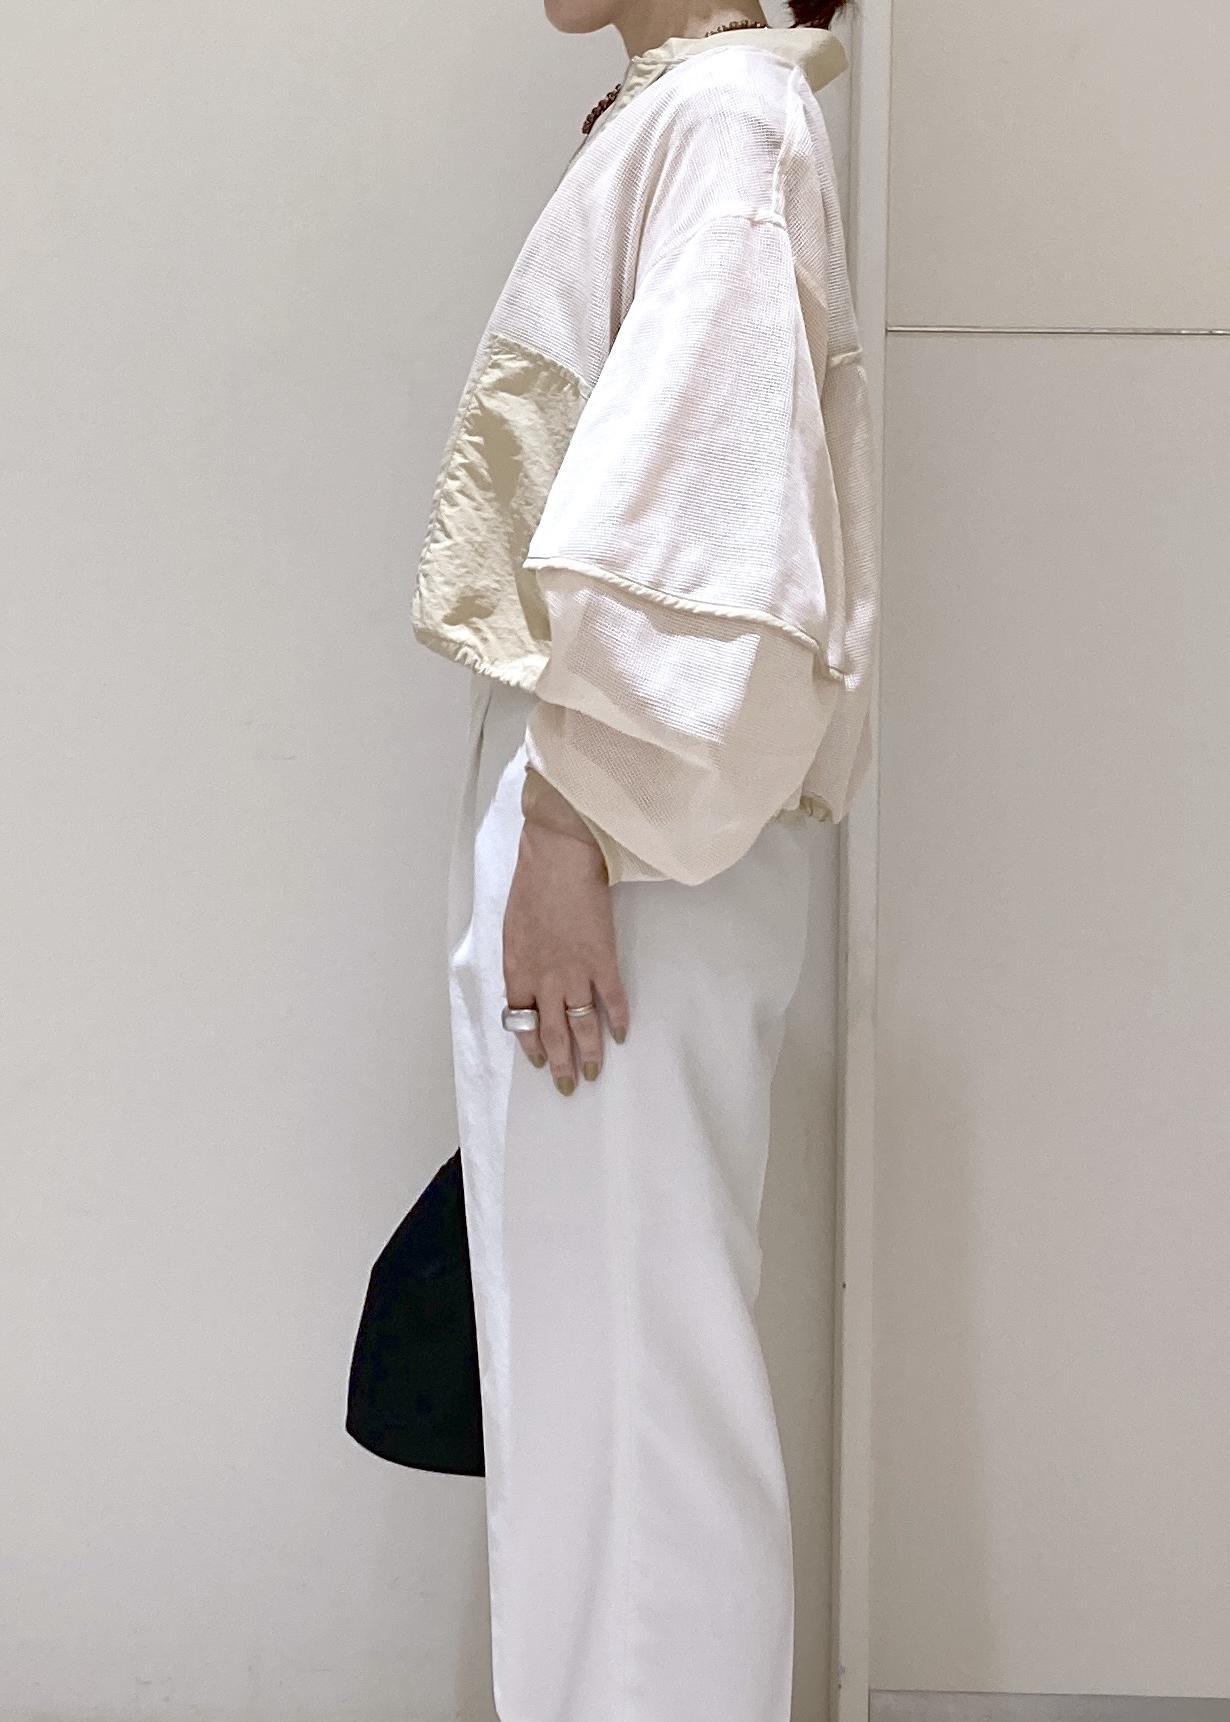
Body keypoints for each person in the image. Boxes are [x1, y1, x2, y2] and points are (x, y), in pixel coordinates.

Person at [411, 1, 877, 1718]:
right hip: (619, 816)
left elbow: (708, 527)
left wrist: (569, 824)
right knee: (602, 1372)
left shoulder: (728, 121)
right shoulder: (700, 112)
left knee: (629, 1385)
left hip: (627, 834)